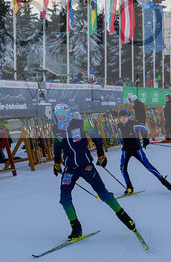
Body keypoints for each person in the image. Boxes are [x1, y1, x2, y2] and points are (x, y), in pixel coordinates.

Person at [51, 102, 140, 241]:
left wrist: (101, 154)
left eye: (63, 113)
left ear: (68, 112)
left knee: (104, 195)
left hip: (86, 165)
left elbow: (96, 136)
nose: (61, 116)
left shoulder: (80, 123)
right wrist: (57, 164)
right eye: (58, 114)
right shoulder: (55, 129)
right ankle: (76, 227)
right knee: (64, 199)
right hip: (70, 168)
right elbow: (57, 147)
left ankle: (126, 218)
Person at [115, 109, 171, 197]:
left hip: (137, 149)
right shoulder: (119, 125)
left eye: (124, 117)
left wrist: (145, 138)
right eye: (121, 117)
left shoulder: (134, 124)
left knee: (148, 166)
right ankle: (129, 187)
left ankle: (165, 182)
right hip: (126, 150)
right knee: (122, 168)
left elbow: (144, 128)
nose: (123, 119)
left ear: (128, 116)